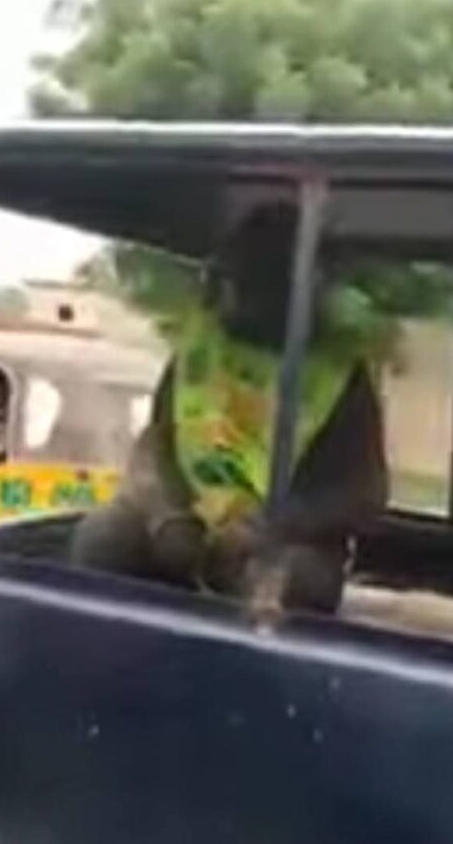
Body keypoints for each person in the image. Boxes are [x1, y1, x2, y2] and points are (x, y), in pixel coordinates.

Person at [71, 205, 389, 616]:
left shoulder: (339, 373)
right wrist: (168, 515)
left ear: (295, 288)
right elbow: (155, 445)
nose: (229, 294)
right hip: (187, 524)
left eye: (248, 280)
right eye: (229, 277)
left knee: (290, 582)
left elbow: (362, 495)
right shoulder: (199, 346)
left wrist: (269, 525)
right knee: (103, 536)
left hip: (279, 542)